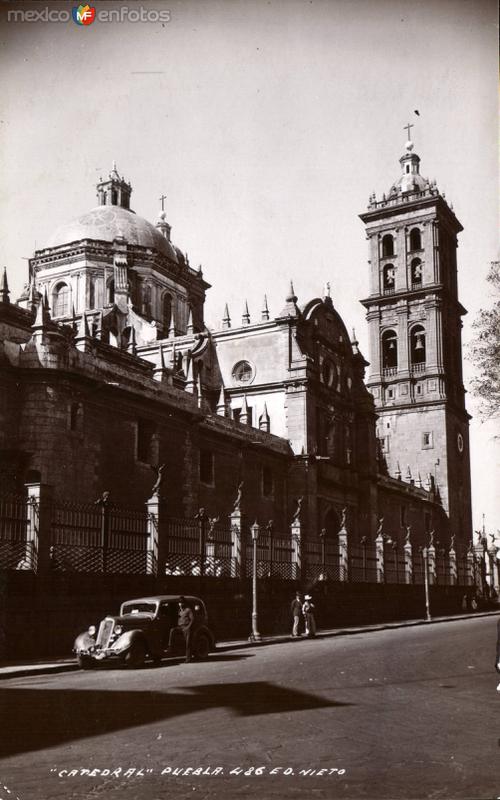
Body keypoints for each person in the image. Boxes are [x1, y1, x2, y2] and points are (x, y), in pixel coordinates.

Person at [169, 596, 195, 663]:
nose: (180, 604)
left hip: (186, 627)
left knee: (188, 643)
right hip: (180, 627)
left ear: (184, 603)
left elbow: (192, 619)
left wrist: (188, 627)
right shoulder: (179, 611)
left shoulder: (188, 610)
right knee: (172, 630)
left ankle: (188, 658)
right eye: (179, 603)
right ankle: (170, 646)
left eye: (181, 602)